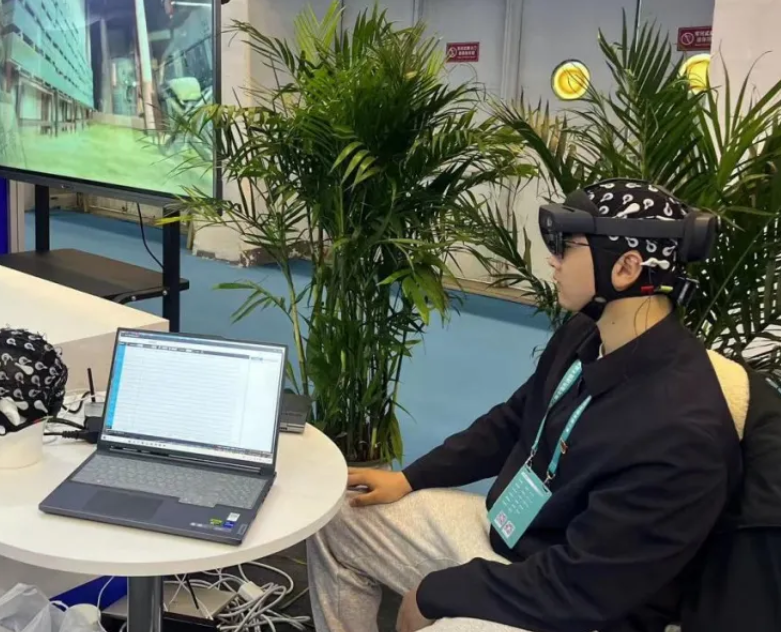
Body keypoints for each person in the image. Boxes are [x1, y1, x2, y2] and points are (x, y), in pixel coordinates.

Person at [307, 180, 741, 632]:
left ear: (626, 267)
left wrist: (435, 593)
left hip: (576, 605)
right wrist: (408, 478)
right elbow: (514, 421)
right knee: (340, 517)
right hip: (511, 538)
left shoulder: (681, 429)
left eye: (566, 246)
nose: (553, 260)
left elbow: (581, 587)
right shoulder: (586, 334)